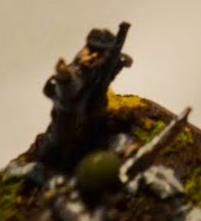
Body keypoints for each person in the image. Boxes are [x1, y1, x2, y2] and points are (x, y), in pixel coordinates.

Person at [32, 26, 133, 168]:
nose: (92, 55)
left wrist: (121, 61)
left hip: (94, 108)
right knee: (59, 143)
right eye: (90, 49)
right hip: (69, 115)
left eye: (100, 52)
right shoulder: (79, 70)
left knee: (96, 128)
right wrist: (64, 78)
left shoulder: (104, 63)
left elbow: (121, 61)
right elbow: (71, 84)